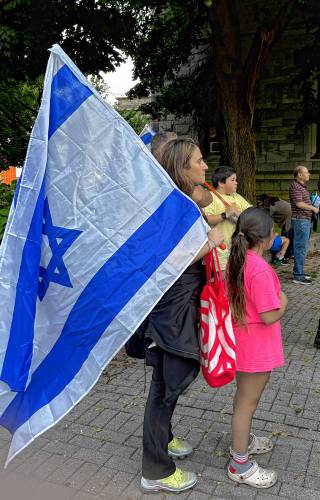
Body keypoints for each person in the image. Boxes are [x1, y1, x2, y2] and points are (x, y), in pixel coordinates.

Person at [140, 137, 223, 494]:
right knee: (163, 388)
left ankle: (166, 437)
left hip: (180, 307)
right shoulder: (170, 207)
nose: (206, 167)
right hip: (169, 311)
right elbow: (166, 263)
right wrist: (213, 238)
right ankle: (155, 470)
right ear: (181, 167)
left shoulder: (182, 203)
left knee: (168, 384)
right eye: (199, 161)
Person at [225, 207, 287, 489]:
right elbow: (269, 314)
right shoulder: (259, 268)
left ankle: (242, 442)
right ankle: (240, 463)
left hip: (243, 341)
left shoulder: (239, 261)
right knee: (247, 404)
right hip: (256, 346)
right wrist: (284, 300)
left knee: (243, 399)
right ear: (265, 237)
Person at [203, 166, 251, 273]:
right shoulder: (210, 197)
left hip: (237, 250)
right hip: (219, 253)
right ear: (221, 183)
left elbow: (251, 213)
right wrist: (225, 215)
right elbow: (205, 219)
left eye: (236, 180)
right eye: (232, 180)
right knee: (222, 284)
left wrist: (238, 214)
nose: (236, 183)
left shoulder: (236, 197)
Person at [151, 131, 212, 208]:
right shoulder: (153, 180)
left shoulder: (189, 178)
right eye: (171, 149)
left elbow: (207, 198)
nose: (176, 155)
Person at [289, 165, 319, 284]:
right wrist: (313, 208)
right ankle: (298, 276)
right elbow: (299, 204)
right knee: (300, 248)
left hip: (304, 220)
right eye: (306, 172)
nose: (309, 174)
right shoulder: (295, 186)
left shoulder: (301, 187)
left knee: (302, 247)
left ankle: (299, 272)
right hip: (300, 220)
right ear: (299, 174)